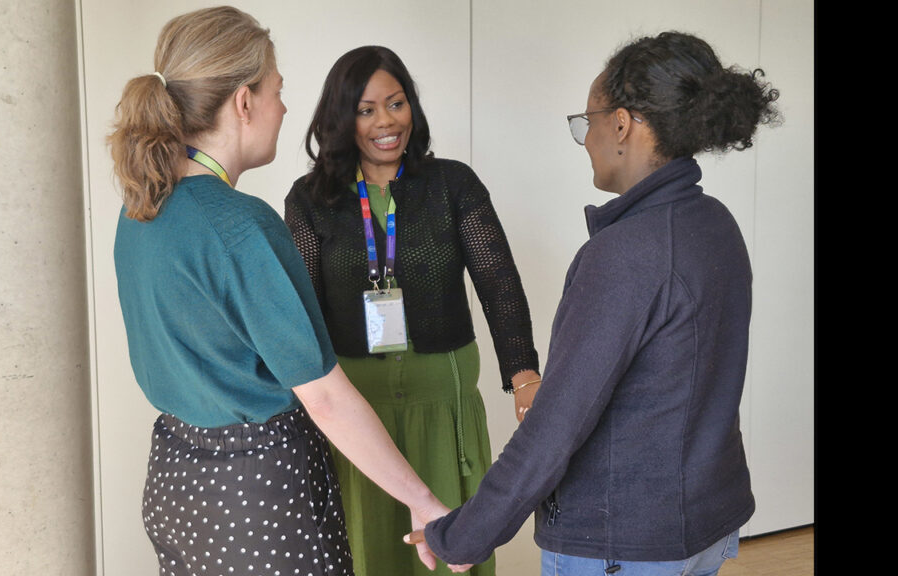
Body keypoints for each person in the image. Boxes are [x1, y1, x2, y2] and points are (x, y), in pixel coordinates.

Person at [408, 31, 782, 576]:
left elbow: (557, 424)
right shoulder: (714, 224)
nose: (585, 139)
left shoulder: (625, 253)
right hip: (703, 524)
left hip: (623, 544)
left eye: (588, 122)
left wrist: (464, 535)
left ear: (623, 123)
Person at [108, 8, 450, 575]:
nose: (284, 108)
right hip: (255, 496)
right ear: (244, 101)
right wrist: (423, 500)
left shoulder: (140, 209)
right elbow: (326, 398)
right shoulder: (241, 224)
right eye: (277, 91)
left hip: (175, 484)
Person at [284, 45, 541, 576]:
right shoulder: (310, 200)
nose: (386, 122)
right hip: (357, 413)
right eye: (367, 109)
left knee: (450, 552)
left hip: (442, 403)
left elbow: (499, 283)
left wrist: (524, 377)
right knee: (368, 552)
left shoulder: (453, 184)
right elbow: (301, 310)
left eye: (396, 103)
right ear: (342, 118)